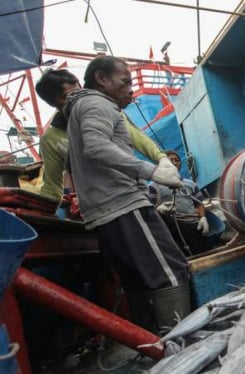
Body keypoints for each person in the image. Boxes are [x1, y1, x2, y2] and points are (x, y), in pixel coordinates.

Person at [63, 56, 190, 332]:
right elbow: (95, 147)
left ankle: (151, 344)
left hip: (104, 209)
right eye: (125, 82)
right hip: (122, 203)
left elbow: (73, 163)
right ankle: (183, 347)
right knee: (170, 271)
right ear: (101, 79)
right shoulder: (97, 103)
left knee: (138, 280)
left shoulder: (80, 108)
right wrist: (151, 171)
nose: (130, 89)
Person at [35, 69, 167, 202]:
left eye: (79, 90)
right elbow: (52, 186)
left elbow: (138, 138)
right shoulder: (51, 140)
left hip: (132, 192)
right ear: (54, 103)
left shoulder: (106, 109)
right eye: (69, 96)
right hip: (98, 205)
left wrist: (162, 159)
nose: (78, 98)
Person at [150, 150, 209, 256]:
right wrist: (159, 210)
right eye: (170, 160)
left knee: (202, 253)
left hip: (193, 226)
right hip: (172, 228)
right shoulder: (155, 186)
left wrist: (203, 218)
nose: (174, 163)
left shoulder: (190, 184)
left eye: (177, 160)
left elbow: (199, 203)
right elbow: (149, 209)